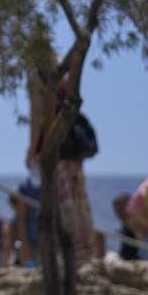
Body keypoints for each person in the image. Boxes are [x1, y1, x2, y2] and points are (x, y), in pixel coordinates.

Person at [25, 44, 98, 262]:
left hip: (53, 145)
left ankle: (71, 249)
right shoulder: (63, 79)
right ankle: (86, 248)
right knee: (79, 197)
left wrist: (33, 149)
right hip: (72, 148)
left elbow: (37, 117)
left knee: (62, 199)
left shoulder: (38, 79)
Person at [112, 193, 141, 261]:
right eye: (117, 211)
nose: (120, 213)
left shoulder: (137, 224)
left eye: (122, 209)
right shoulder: (125, 225)